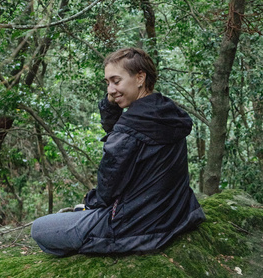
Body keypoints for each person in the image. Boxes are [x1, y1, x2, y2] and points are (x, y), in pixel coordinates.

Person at [31, 47, 205, 256]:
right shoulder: (166, 112)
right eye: (107, 83)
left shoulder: (129, 130)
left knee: (40, 229)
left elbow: (107, 190)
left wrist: (89, 204)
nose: (111, 90)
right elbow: (119, 134)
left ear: (140, 78)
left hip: (137, 227)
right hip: (175, 215)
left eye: (116, 81)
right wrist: (112, 103)